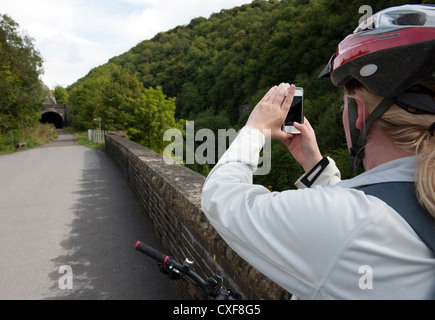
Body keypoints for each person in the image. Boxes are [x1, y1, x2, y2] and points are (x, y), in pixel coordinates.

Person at [201, 4, 435, 299]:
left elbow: (222, 200)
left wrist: (255, 129)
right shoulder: (395, 207)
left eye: (345, 104)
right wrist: (313, 163)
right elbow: (368, 215)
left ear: (358, 113)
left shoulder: (359, 224)